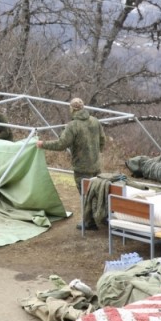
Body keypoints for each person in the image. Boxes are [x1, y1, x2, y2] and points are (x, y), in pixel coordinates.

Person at [36, 97, 106, 230]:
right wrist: (97, 153)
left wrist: (42, 144)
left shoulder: (73, 125)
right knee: (97, 192)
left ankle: (89, 222)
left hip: (81, 168)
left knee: (85, 194)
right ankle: (101, 218)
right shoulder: (95, 121)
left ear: (72, 109)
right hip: (96, 165)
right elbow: (103, 140)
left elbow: (61, 144)